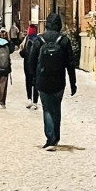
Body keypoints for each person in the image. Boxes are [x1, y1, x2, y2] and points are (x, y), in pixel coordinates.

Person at [30, 13, 76, 151]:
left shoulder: (39, 40)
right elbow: (70, 63)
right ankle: (56, 137)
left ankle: (50, 138)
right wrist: (73, 83)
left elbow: (31, 61)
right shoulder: (64, 40)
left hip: (43, 80)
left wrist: (33, 78)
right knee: (56, 108)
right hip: (59, 80)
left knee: (47, 109)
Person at [20, 24, 39, 110]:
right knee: (36, 83)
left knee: (28, 82)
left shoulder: (26, 39)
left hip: (27, 64)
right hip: (37, 64)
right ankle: (35, 101)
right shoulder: (39, 40)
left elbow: (22, 53)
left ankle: (29, 99)